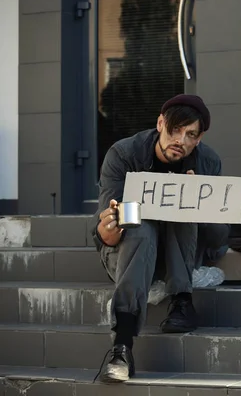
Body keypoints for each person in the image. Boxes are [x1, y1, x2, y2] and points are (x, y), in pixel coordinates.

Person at [91, 94, 230, 383]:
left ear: (199, 138)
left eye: (190, 134)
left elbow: (218, 237)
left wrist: (197, 203)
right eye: (174, 130)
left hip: (179, 255)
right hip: (130, 253)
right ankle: (122, 346)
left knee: (184, 207)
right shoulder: (123, 154)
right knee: (139, 227)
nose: (180, 140)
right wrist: (107, 231)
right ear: (160, 124)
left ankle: (181, 301)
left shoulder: (208, 162)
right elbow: (106, 230)